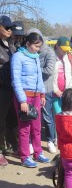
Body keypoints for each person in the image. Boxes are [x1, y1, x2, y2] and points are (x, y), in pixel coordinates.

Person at [11, 31, 50, 167]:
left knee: (37, 127)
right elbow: (16, 80)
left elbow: (40, 78)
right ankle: (25, 156)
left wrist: (42, 94)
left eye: (39, 47)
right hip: (24, 97)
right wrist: (22, 100)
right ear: (28, 43)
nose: (38, 49)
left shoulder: (35, 57)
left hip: (36, 97)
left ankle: (38, 153)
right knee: (24, 128)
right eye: (36, 46)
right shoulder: (18, 57)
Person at [34, 28, 57, 154]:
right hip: (33, 89)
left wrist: (34, 69)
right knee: (33, 117)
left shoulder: (49, 52)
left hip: (46, 88)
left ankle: (50, 140)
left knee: (47, 116)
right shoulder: (29, 52)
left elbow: (49, 70)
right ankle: (33, 142)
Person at [0, 15, 17, 166]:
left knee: (12, 118)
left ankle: (10, 146)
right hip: (1, 88)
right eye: (6, 27)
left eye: (10, 27)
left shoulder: (11, 44)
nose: (9, 30)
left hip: (11, 88)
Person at [53, 37, 72, 114]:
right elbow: (49, 76)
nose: (65, 51)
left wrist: (69, 89)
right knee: (58, 115)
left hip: (67, 94)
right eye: (63, 49)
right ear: (57, 46)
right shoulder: (51, 57)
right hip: (54, 95)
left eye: (66, 49)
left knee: (67, 115)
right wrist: (55, 89)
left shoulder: (70, 57)